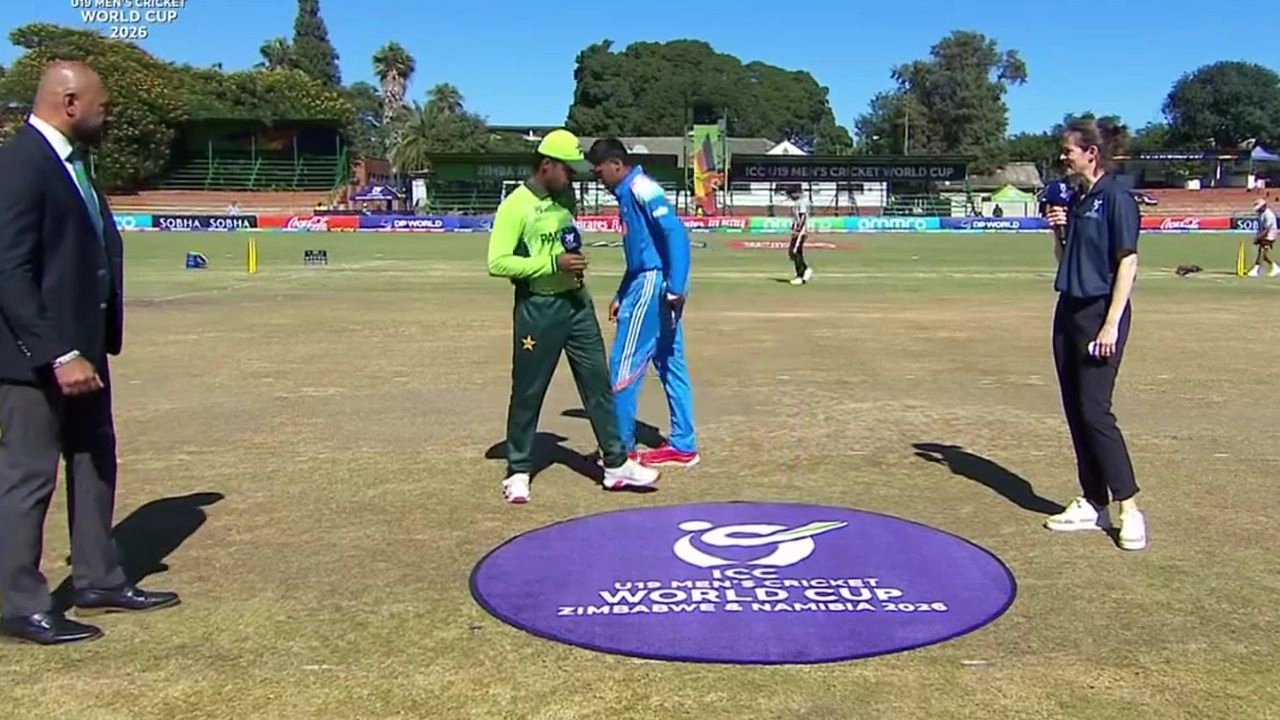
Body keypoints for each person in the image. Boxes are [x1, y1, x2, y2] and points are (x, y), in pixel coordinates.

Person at [0, 61, 179, 646]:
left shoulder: (75, 164)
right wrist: (55, 353)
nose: (110, 114)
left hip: (85, 351)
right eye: (103, 104)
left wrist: (89, 347)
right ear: (70, 102)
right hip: (36, 361)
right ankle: (19, 605)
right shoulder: (23, 162)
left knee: (95, 462)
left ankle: (99, 577)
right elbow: (9, 270)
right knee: (29, 478)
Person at [486, 129, 659, 503]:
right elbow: (497, 262)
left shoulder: (566, 198)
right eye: (569, 170)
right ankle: (518, 469)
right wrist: (553, 263)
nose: (575, 177)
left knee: (598, 383)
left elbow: (566, 240)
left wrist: (573, 263)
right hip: (538, 309)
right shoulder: (515, 205)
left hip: (577, 304)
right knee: (529, 390)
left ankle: (616, 464)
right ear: (546, 165)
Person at [1041, 117, 1146, 551]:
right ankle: (1091, 501)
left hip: (1102, 313)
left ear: (1091, 152)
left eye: (1069, 149)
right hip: (1068, 309)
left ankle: (1130, 508)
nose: (1063, 156)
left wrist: (1110, 324)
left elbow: (1128, 262)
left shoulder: (1117, 197)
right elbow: (1068, 258)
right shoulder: (1079, 198)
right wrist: (1057, 230)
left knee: (1096, 411)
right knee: (1075, 409)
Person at [585, 138, 700, 467]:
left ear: (616, 164)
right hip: (646, 280)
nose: (599, 180)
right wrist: (622, 292)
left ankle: (622, 449)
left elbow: (674, 233)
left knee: (623, 365)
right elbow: (639, 251)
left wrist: (676, 286)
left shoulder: (640, 187)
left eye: (599, 172)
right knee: (669, 362)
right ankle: (683, 444)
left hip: (653, 284)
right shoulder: (628, 192)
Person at [786, 186, 813, 285]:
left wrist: (798, 229)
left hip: (800, 231)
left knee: (795, 252)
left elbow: (803, 217)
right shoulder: (798, 202)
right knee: (794, 253)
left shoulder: (802, 202)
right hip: (797, 231)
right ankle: (804, 270)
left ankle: (801, 275)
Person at [1244, 197, 1278, 277]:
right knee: (1264, 255)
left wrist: (1259, 237)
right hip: (1264, 234)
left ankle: (1256, 269)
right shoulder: (1261, 214)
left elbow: (1267, 228)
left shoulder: (1268, 215)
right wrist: (1257, 236)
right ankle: (1275, 267)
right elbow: (1261, 227)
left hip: (1269, 236)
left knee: (1261, 251)